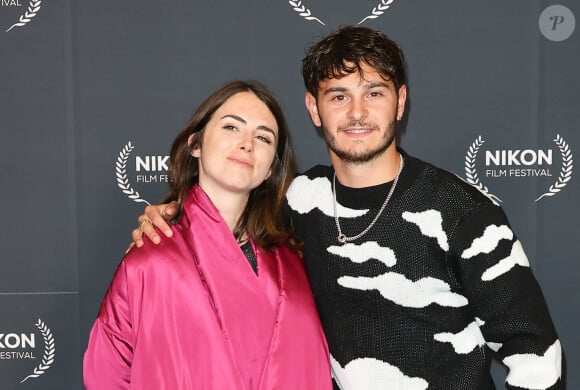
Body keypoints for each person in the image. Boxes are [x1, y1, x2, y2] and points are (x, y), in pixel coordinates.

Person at [131, 27, 563, 389]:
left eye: (374, 92)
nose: (357, 112)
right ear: (313, 110)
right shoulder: (295, 200)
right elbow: (221, 226)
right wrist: (171, 213)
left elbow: (537, 359)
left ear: (400, 100)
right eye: (338, 96)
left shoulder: (462, 212)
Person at [83, 80, 332, 389]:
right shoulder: (151, 259)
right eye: (231, 128)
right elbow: (106, 371)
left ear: (270, 168)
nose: (247, 143)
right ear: (196, 144)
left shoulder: (295, 261)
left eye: (264, 137)